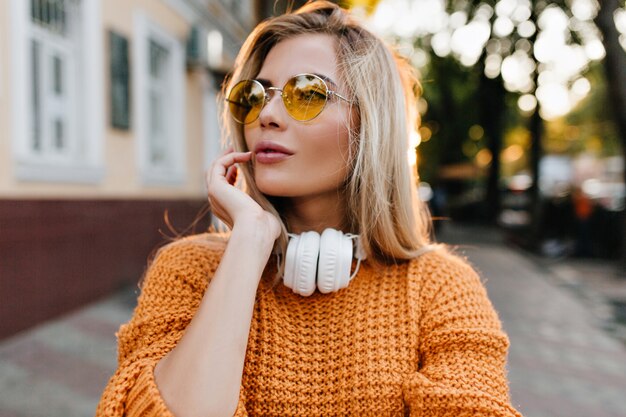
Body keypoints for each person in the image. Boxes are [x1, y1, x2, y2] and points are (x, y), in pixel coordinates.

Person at [96, 2, 522, 416]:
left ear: (369, 123)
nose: (267, 114)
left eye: (308, 93)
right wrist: (249, 241)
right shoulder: (188, 270)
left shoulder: (439, 288)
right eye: (255, 95)